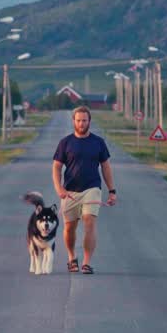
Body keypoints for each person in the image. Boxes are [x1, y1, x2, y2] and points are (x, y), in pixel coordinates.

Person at [52, 105, 116, 274]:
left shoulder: (98, 142)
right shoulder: (65, 143)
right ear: (73, 121)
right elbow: (56, 168)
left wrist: (112, 191)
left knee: (89, 221)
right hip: (70, 191)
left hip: (92, 188)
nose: (81, 124)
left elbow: (106, 167)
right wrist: (59, 188)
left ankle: (87, 263)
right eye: (78, 120)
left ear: (89, 121)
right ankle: (72, 258)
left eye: (84, 121)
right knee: (69, 227)